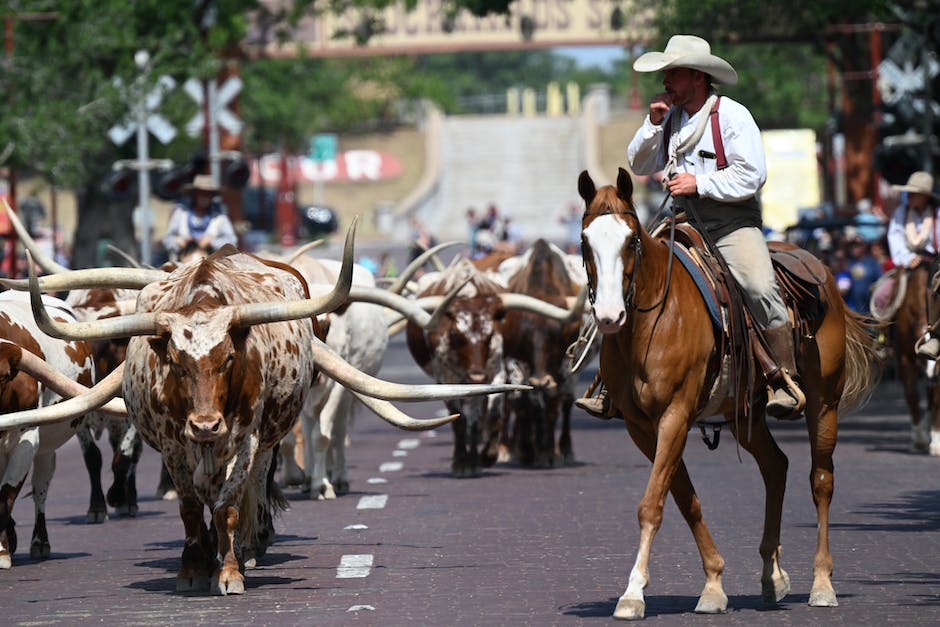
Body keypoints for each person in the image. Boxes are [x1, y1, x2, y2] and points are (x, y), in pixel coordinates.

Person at [578, 35, 804, 420]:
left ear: (697, 76)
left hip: (731, 224)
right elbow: (640, 163)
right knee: (630, 273)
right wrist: (652, 124)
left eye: (673, 73)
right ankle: (609, 381)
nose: (665, 80)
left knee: (758, 286)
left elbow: (753, 175)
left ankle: (782, 379)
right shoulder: (668, 118)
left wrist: (699, 184)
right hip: (680, 221)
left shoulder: (732, 116)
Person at [885, 171, 940, 358]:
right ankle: (886, 335)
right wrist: (907, 257)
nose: (909, 196)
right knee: (884, 293)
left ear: (925, 196)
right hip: (908, 263)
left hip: (935, 262)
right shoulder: (902, 212)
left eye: (914, 193)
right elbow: (895, 237)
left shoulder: (936, 213)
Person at [162, 175, 238, 262]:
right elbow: (167, 239)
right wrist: (178, 242)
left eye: (208, 194)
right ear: (194, 194)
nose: (204, 197)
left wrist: (211, 242)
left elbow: (232, 241)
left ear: (212, 196)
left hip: (211, 266)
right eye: (201, 193)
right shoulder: (181, 213)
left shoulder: (219, 217)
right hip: (181, 264)